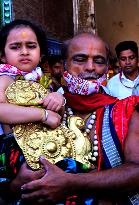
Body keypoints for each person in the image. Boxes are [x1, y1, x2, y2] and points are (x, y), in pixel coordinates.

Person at [16, 33, 139, 205]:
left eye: (99, 61)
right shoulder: (41, 110)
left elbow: (136, 171)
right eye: (80, 59)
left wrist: (71, 182)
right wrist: (17, 184)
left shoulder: (127, 111)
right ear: (65, 64)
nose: (90, 67)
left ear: (106, 67)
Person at [0, 19, 65, 203]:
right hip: (16, 153)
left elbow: (58, 117)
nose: (24, 51)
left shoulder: (43, 81)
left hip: (45, 149)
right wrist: (42, 115)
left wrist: (59, 99)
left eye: (31, 46)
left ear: (41, 52)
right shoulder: (5, 79)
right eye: (15, 47)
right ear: (3, 55)